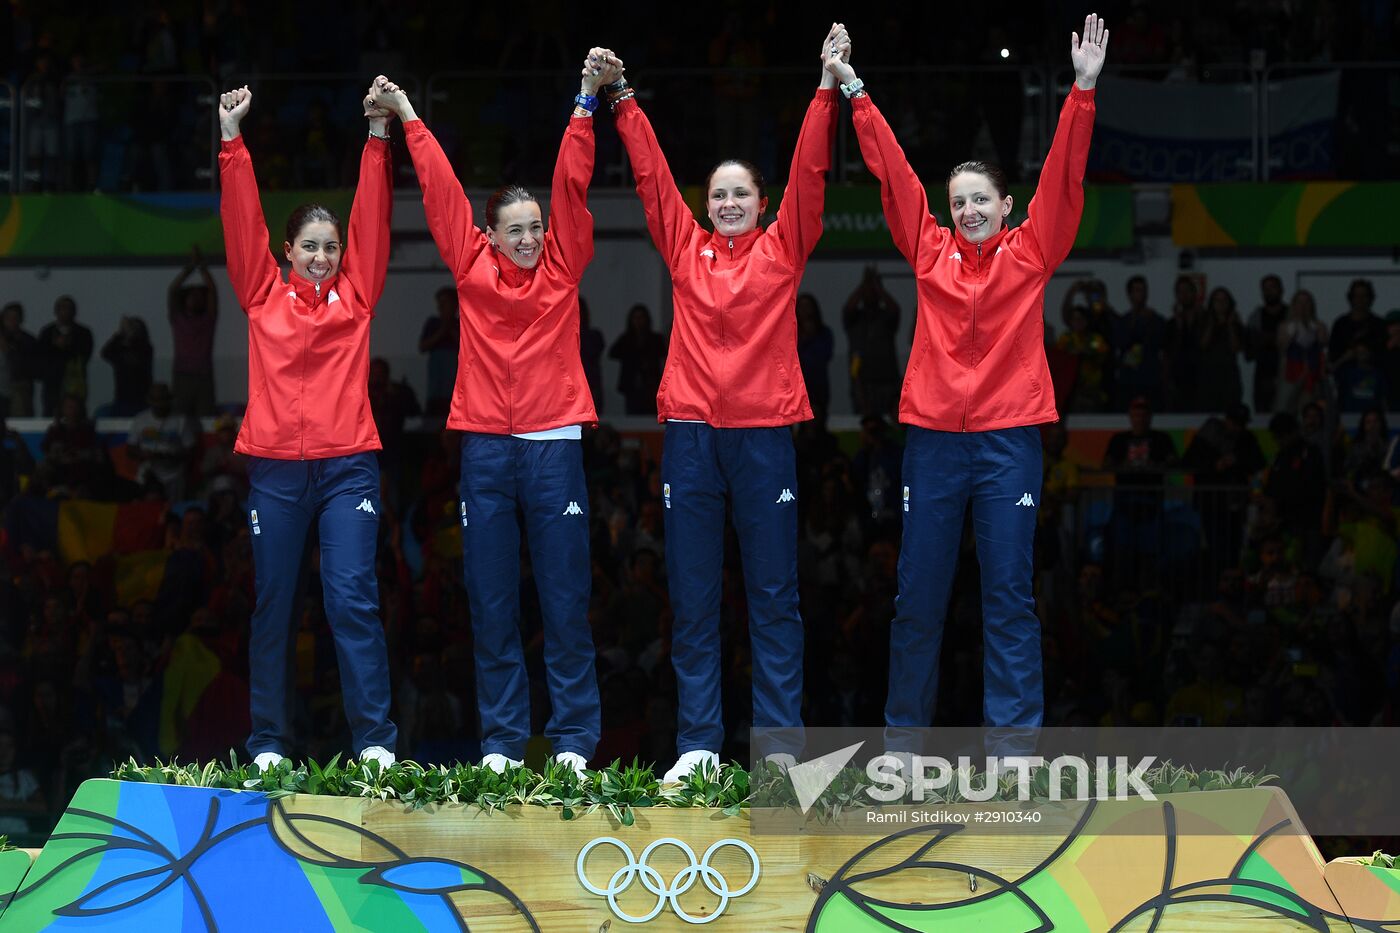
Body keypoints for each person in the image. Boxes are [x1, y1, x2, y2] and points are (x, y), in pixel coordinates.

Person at [828, 14, 1109, 742]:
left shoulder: (1032, 252)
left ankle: (1013, 747)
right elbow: (893, 172)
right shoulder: (928, 253)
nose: (970, 211)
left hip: (1009, 441)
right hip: (933, 444)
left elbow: (1063, 179)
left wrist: (1081, 92)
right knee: (917, 598)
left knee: (1009, 597)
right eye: (959, 203)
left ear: (1006, 207)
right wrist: (856, 90)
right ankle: (904, 747)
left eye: (982, 200)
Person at [610, 24, 847, 780]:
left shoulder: (783, 248)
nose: (730, 201)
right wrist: (622, 101)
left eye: (742, 192)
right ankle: (700, 746)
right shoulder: (684, 247)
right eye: (718, 193)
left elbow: (812, 173)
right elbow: (650, 178)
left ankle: (779, 752)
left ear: (762, 201)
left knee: (774, 597)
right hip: (689, 437)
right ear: (704, 204)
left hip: (764, 437)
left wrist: (825, 87)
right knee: (694, 597)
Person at [371, 55, 609, 776]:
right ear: (491, 233)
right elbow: (441, 192)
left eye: (536, 227)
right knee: (493, 601)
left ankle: (571, 741)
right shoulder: (471, 268)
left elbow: (572, 183)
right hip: (486, 450)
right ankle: (504, 744)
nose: (531, 238)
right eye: (516, 229)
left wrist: (584, 105)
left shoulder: (564, 267)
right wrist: (409, 115)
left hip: (552, 444)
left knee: (566, 602)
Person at [216, 82, 397, 772]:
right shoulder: (260, 294)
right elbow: (240, 224)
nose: (323, 256)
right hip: (275, 471)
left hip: (348, 464)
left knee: (351, 598)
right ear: (287, 249)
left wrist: (378, 139)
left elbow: (374, 219)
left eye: (331, 246)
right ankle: (268, 744)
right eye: (311, 246)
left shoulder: (357, 296)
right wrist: (232, 141)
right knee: (274, 606)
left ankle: (375, 740)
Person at [842, 265, 901, 418]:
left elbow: (895, 309)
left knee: (892, 419)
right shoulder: (855, 318)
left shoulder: (885, 317)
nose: (871, 292)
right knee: (866, 420)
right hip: (862, 383)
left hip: (887, 379)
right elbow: (848, 308)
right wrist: (864, 284)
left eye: (873, 290)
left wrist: (876, 286)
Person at [168, 247, 219, 416]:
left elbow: (212, 291)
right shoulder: (178, 319)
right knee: (181, 419)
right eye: (192, 295)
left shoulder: (207, 320)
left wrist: (203, 267)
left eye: (199, 296)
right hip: (182, 375)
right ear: (186, 299)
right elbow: (172, 290)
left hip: (204, 375)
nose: (196, 298)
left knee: (206, 418)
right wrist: (191, 267)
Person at [126, 382, 198, 501]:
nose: (159, 406)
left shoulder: (181, 420)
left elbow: (191, 449)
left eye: (162, 402)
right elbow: (130, 448)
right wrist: (143, 454)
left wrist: (170, 456)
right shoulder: (141, 419)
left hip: (173, 476)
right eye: (156, 402)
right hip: (147, 473)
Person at [37, 296, 94, 416]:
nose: (65, 312)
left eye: (68, 308)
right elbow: (40, 357)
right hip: (53, 386)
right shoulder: (47, 332)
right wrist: (56, 347)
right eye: (62, 308)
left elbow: (85, 355)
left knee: (77, 418)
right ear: (56, 311)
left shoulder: (83, 333)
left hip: (75, 385)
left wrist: (67, 346)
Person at [608, 304, 666, 416]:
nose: (638, 321)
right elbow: (613, 353)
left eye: (641, 317)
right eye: (636, 318)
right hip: (631, 384)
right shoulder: (626, 339)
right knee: (632, 414)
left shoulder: (655, 339)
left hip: (651, 384)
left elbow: (663, 354)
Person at [1276, 289, 1327, 414]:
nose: (1303, 306)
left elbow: (1323, 343)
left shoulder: (1319, 326)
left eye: (1307, 303)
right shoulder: (1284, 326)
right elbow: (1282, 347)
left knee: (1310, 406)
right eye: (1299, 303)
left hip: (1312, 373)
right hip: (1290, 373)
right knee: (1287, 406)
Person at [1244, 274, 1287, 413]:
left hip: (1288, 372)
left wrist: (1269, 338)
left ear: (1281, 290)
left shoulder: (1291, 314)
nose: (1269, 291)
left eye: (1272, 287)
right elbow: (1248, 352)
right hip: (1263, 374)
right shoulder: (1255, 317)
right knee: (1263, 414)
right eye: (1265, 288)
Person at [99, 316, 154, 417]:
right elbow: (105, 353)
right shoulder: (119, 349)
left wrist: (127, 335)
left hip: (142, 398)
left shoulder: (145, 348)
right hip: (122, 397)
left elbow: (138, 357)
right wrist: (119, 334)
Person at [418, 286, 458, 417]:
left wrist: (449, 326)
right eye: (440, 303)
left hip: (455, 387)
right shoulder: (433, 323)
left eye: (445, 303)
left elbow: (465, 347)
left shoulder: (461, 324)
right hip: (435, 385)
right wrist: (443, 329)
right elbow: (423, 347)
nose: (441, 307)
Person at [796, 293, 834, 424]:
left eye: (808, 306)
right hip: (797, 387)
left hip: (819, 386)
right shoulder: (791, 333)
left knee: (820, 422)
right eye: (802, 306)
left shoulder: (824, 333)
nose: (805, 310)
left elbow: (826, 355)